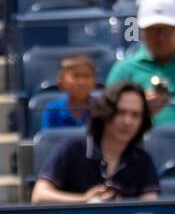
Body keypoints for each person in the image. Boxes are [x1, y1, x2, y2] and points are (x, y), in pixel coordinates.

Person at [32, 81, 160, 205]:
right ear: (105, 112)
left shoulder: (142, 160)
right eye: (121, 112)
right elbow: (39, 196)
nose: (128, 121)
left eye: (135, 115)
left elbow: (150, 206)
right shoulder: (72, 149)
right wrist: (84, 200)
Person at [41, 53, 98, 130]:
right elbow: (48, 140)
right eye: (76, 76)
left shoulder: (101, 109)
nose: (82, 82)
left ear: (95, 81)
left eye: (86, 76)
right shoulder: (53, 110)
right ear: (61, 82)